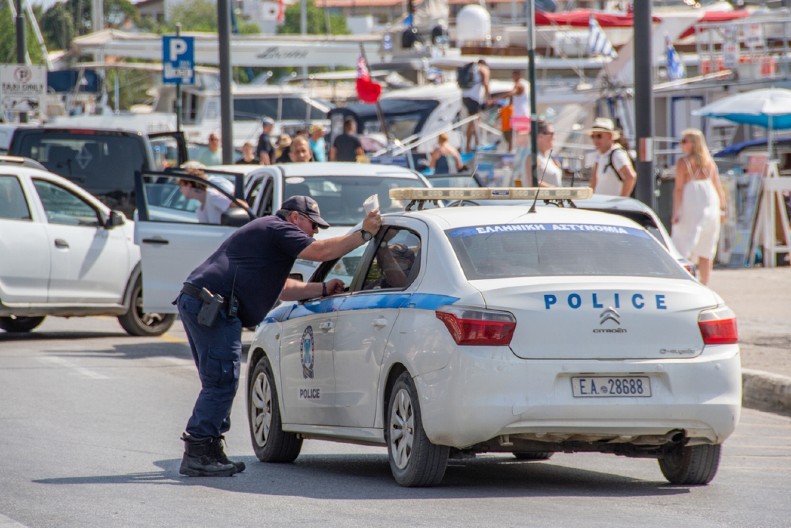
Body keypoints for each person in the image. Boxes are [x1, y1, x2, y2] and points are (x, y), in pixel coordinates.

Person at [176, 196, 382, 477]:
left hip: (204, 302)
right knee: (222, 380)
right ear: (295, 218)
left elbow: (281, 288)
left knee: (219, 381)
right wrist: (365, 233)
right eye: (313, 225)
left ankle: (209, 450)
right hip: (212, 306)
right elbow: (321, 252)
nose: (314, 232)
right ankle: (198, 451)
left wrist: (321, 289)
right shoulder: (278, 227)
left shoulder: (270, 234)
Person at [671, 128, 727, 286]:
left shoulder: (683, 162)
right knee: (706, 247)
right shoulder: (709, 162)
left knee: (685, 243)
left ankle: (686, 281)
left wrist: (676, 211)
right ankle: (705, 284)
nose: (681, 144)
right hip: (710, 203)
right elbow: (718, 186)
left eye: (684, 141)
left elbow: (679, 188)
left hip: (692, 203)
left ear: (693, 143)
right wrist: (723, 208)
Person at [589, 117, 637, 197]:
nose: (595, 139)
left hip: (612, 207)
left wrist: (621, 202)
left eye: (599, 136)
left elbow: (630, 177)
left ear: (610, 136)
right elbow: (594, 180)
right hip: (601, 205)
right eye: (593, 136)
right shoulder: (601, 155)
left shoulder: (617, 154)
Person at [461, 59, 490, 153]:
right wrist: (488, 98)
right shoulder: (483, 69)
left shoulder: (473, 68)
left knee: (474, 121)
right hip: (474, 98)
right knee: (474, 122)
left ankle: (474, 144)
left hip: (465, 97)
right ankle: (471, 145)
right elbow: (486, 83)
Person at [524, 120, 563, 187]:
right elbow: (532, 182)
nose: (554, 137)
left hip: (553, 197)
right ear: (540, 136)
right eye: (551, 133)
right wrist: (554, 190)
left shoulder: (547, 157)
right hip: (542, 197)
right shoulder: (532, 157)